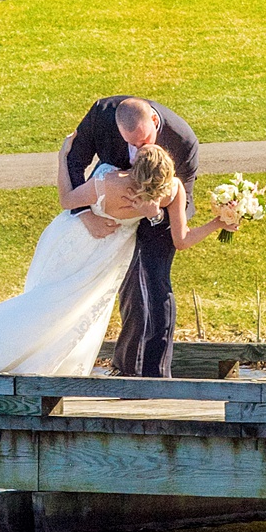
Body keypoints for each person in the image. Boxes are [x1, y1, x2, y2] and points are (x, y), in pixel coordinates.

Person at [0, 139, 238, 378]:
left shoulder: (110, 181)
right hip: (77, 245)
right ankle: (3, 360)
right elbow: (182, 240)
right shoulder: (172, 191)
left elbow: (66, 199)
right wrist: (217, 223)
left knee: (62, 311)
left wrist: (63, 157)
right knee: (46, 307)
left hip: (95, 253)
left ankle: (7, 364)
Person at [60, 96, 202, 376]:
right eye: (131, 144)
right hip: (108, 205)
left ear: (154, 120)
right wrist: (85, 213)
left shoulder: (182, 140)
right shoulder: (102, 115)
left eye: (144, 141)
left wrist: (154, 213)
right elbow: (74, 161)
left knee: (153, 279)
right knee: (125, 285)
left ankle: (155, 372)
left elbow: (184, 203)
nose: (138, 151)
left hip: (160, 212)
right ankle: (127, 367)